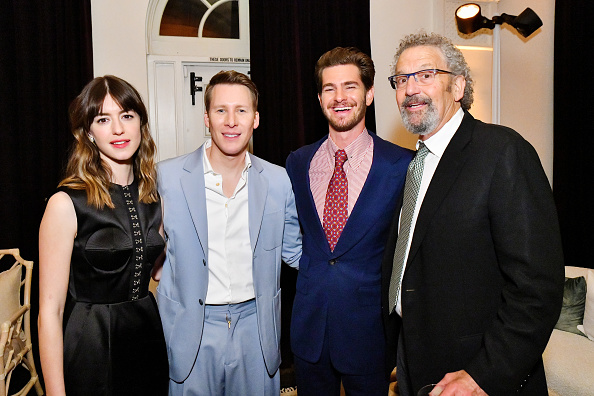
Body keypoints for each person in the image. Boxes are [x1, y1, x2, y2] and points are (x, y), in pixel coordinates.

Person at [381, 31, 564, 396]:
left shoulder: (503, 152)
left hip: (476, 376)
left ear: (459, 86)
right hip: (416, 363)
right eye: (402, 79)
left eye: (426, 74)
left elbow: (537, 288)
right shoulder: (416, 165)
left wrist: (483, 375)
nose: (410, 88)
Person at [155, 70, 302, 395]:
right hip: (193, 327)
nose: (231, 120)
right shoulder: (167, 178)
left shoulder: (278, 180)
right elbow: (152, 247)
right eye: (221, 110)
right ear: (207, 118)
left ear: (256, 118)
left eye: (241, 110)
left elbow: (295, 252)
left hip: (256, 326)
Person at [286, 47, 413, 395]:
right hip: (309, 331)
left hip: (369, 333)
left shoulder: (402, 165)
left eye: (350, 87)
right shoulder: (297, 163)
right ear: (319, 97)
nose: (339, 97)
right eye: (329, 88)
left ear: (369, 93)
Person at [38, 75, 168, 396]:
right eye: (103, 119)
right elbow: (49, 312)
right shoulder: (65, 203)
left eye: (127, 116)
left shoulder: (155, 196)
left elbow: (156, 268)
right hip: (91, 345)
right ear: (88, 133)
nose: (118, 129)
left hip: (147, 336)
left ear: (141, 123)